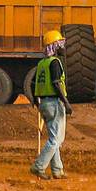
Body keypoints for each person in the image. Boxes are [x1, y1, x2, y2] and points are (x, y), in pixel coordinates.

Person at [30, 29, 72, 180]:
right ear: (54, 46)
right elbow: (56, 83)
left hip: (44, 103)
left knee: (55, 138)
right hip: (55, 102)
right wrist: (66, 103)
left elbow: (32, 82)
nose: (63, 47)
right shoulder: (55, 62)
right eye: (60, 43)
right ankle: (39, 166)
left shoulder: (42, 63)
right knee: (55, 140)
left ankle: (57, 170)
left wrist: (35, 98)